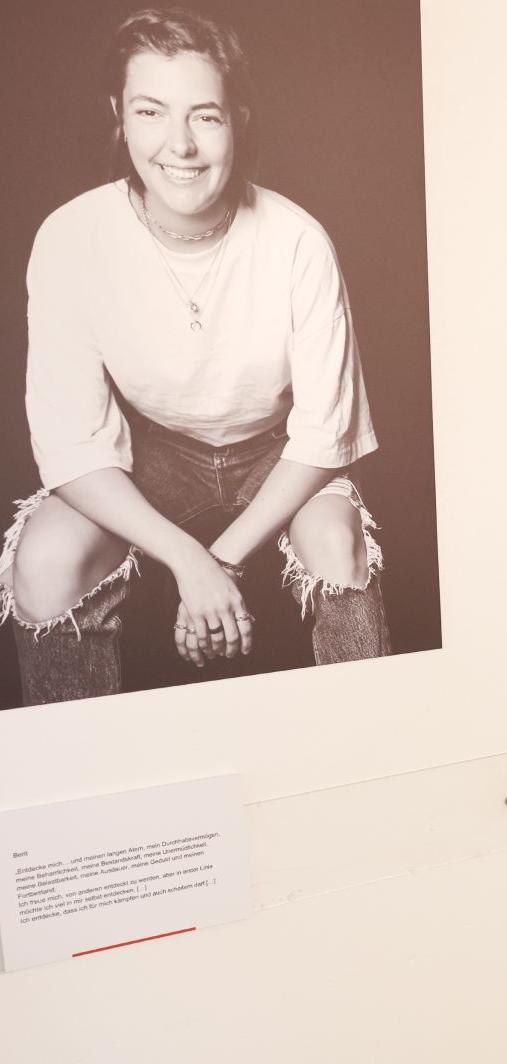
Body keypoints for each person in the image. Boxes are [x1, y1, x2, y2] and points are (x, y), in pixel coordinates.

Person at [0, 8, 389, 704]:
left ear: (237, 119)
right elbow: (72, 446)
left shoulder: (296, 241)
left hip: (278, 455)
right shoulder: (72, 237)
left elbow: (325, 435)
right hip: (153, 455)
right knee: (45, 556)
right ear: (119, 115)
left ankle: (369, 740)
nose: (179, 144)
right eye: (152, 112)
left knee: (338, 543)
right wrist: (188, 563)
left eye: (204, 116)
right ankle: (82, 774)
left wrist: (223, 563)